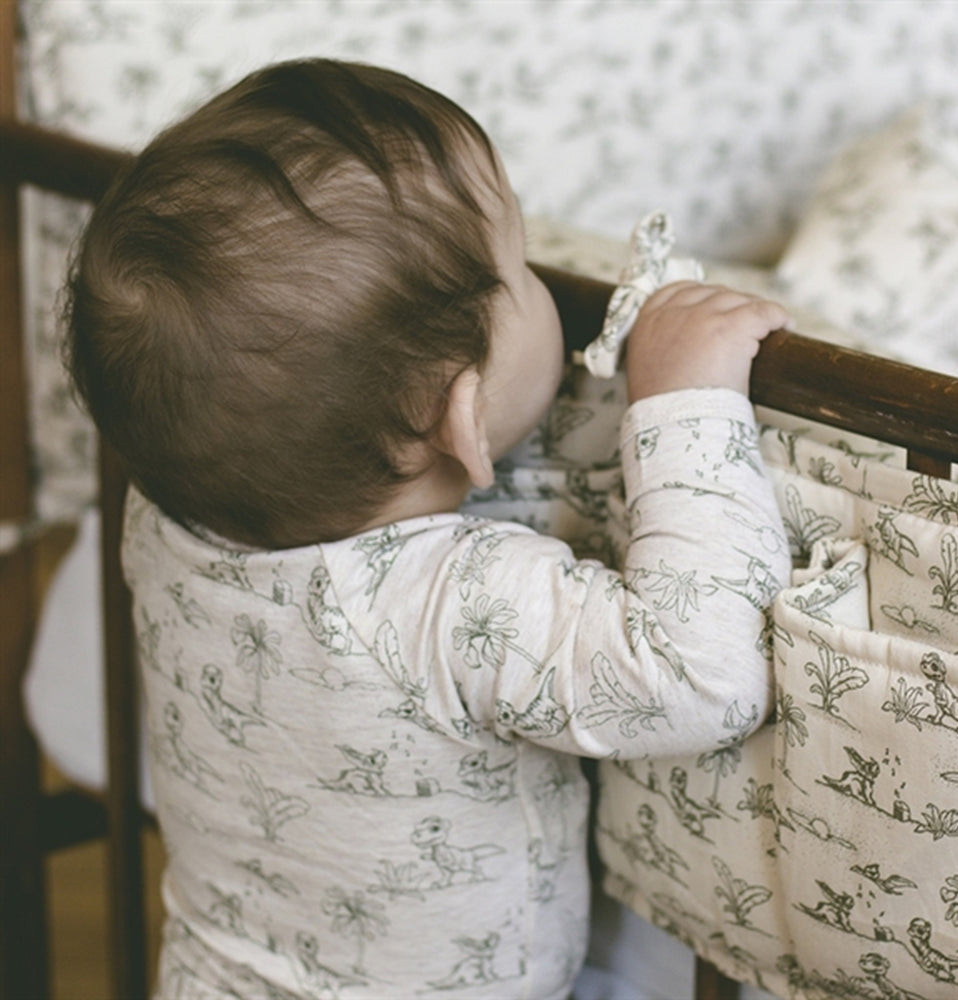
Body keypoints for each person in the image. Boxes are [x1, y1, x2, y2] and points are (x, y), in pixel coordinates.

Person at [66, 58, 790, 999]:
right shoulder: (453, 599)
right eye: (519, 268)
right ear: (462, 419)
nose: (541, 282)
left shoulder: (162, 515)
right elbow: (701, 677)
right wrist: (683, 400)